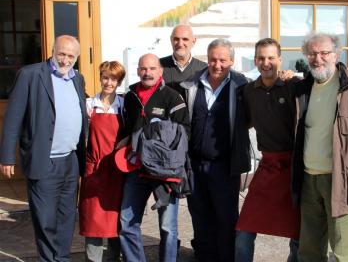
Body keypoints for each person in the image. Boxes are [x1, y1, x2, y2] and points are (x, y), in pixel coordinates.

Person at [292, 32, 348, 262]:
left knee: (345, 253)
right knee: (309, 252)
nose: (318, 58)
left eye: (324, 53)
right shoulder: (303, 89)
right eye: (312, 53)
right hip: (309, 181)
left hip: (343, 181)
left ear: (336, 55)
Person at [0, 35, 87, 261]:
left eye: (71, 56)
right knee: (46, 219)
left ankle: (62, 258)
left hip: (70, 160)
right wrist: (7, 156)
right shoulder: (31, 74)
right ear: (52, 50)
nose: (66, 60)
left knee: (67, 217)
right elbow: (12, 118)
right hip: (44, 160)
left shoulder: (78, 79)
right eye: (62, 54)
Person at [180, 38, 251, 262]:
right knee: (200, 219)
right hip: (195, 165)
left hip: (224, 166)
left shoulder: (242, 86)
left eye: (222, 60)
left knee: (226, 220)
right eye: (212, 59)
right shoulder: (192, 85)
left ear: (232, 61)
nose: (217, 65)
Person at [119, 53, 190, 262]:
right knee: (126, 222)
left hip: (164, 171)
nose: (147, 73)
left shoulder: (172, 96)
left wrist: (161, 143)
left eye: (151, 68)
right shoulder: (130, 95)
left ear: (160, 71)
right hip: (136, 169)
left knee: (168, 227)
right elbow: (124, 126)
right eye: (142, 68)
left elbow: (185, 131)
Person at [235, 38, 300, 262]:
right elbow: (243, 122)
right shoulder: (248, 91)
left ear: (279, 60)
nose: (266, 62)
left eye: (271, 57)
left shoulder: (294, 86)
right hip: (267, 167)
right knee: (244, 229)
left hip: (294, 169)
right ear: (255, 60)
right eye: (261, 58)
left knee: (298, 232)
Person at [78, 61, 126, 262]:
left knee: (115, 217)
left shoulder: (123, 105)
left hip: (116, 171)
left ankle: (114, 257)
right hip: (94, 169)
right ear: (100, 78)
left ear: (119, 81)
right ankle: (93, 259)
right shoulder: (89, 105)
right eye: (105, 77)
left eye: (114, 79)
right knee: (93, 218)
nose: (109, 82)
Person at [160, 24, 206, 93]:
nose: (180, 44)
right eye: (176, 39)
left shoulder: (204, 69)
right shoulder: (157, 66)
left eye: (185, 39)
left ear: (193, 41)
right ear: (171, 40)